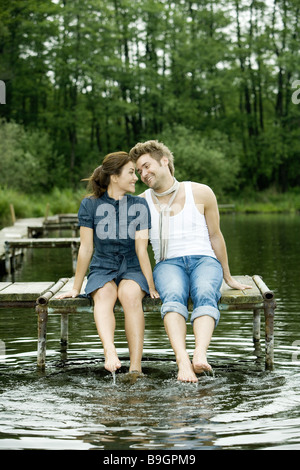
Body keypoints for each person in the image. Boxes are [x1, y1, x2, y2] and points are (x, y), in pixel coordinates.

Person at [129, 140, 251, 383]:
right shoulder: (141, 202)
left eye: (146, 166)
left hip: (205, 260)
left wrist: (227, 276)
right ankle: (182, 361)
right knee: (173, 294)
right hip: (167, 264)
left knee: (206, 291)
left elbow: (216, 236)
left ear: (164, 160)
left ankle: (200, 355)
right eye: (139, 170)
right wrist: (150, 284)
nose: (143, 174)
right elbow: (140, 247)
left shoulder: (201, 192)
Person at [56, 151, 159, 375]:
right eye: (131, 172)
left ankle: (135, 367)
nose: (136, 177)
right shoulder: (90, 205)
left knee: (130, 296)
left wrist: (150, 285)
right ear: (114, 176)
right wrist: (76, 287)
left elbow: (142, 250)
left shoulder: (140, 206)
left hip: (131, 266)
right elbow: (86, 248)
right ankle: (110, 351)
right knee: (104, 295)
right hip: (102, 266)